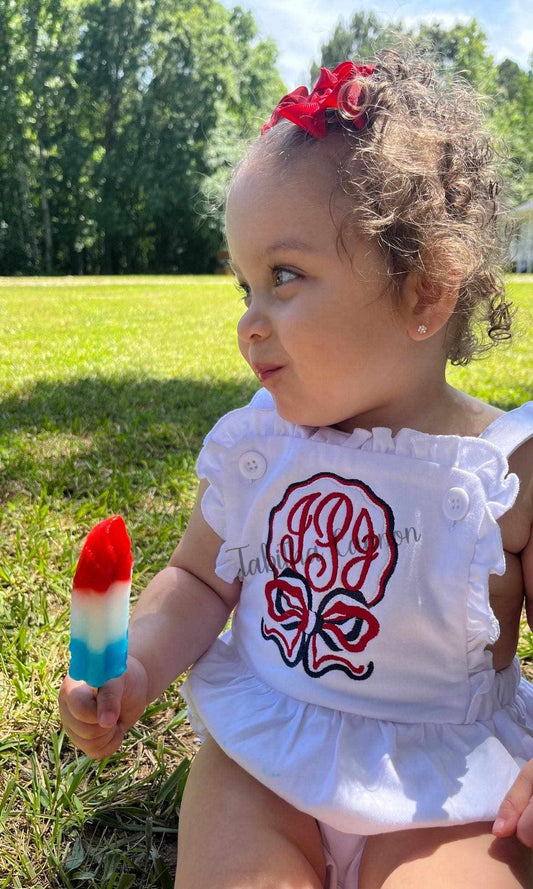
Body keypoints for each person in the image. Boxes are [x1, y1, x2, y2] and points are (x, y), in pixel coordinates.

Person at [59, 50, 533, 888]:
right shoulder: (258, 445)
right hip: (266, 755)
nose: (249, 320)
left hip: (451, 781)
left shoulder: (505, 471)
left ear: (424, 291)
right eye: (242, 286)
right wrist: (136, 666)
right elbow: (199, 582)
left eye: (283, 276)